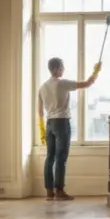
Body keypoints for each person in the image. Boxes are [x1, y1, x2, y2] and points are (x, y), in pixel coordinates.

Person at [38, 57, 100, 201]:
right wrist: (96, 71)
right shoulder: (62, 83)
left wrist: (42, 130)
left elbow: (40, 112)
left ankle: (49, 191)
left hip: (49, 124)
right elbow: (87, 83)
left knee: (50, 157)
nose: (64, 69)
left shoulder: (42, 87)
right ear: (57, 69)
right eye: (62, 67)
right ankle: (59, 190)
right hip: (61, 123)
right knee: (61, 157)